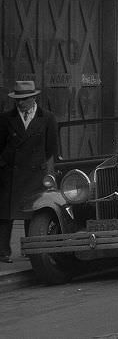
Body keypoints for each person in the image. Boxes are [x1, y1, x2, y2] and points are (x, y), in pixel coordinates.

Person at [0, 81, 59, 262]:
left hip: (35, 173)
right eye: (17, 99)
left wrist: (41, 166)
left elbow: (50, 148)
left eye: (24, 99)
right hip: (10, 173)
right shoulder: (5, 118)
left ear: (33, 98)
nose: (20, 103)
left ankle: (30, 249)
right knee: (5, 214)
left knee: (32, 212)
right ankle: (3, 252)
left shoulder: (47, 118)